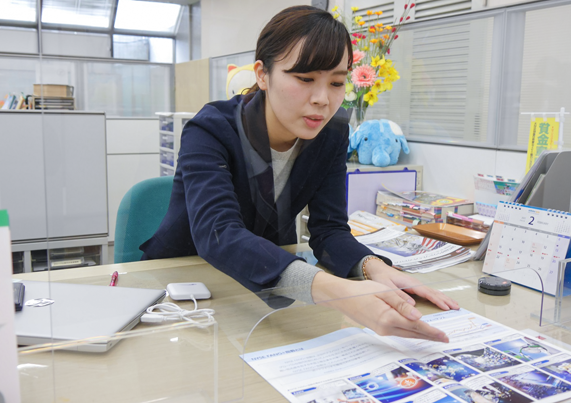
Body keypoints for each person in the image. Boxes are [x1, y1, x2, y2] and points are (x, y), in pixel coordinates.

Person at [140, 5, 458, 342]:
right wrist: (340, 294)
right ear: (263, 74)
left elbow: (329, 230)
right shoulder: (211, 129)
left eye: (337, 82)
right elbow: (218, 234)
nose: (322, 99)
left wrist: (375, 270)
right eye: (305, 79)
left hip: (263, 283)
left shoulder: (332, 134)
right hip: (180, 288)